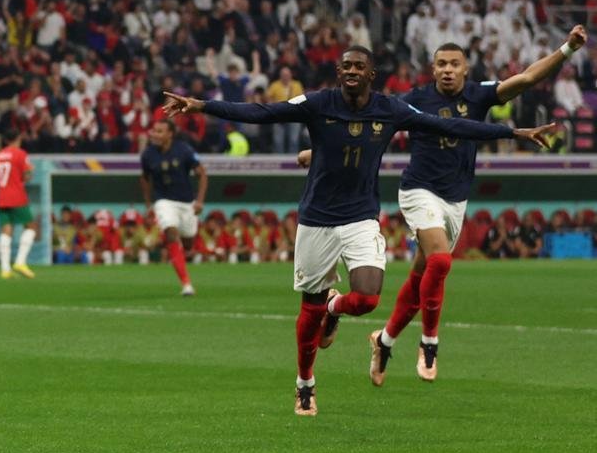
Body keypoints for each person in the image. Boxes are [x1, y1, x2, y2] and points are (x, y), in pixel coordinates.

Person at [163, 46, 555, 416]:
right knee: (307, 310)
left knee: (367, 299)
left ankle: (336, 307)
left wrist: (513, 134)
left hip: (361, 217)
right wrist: (201, 106)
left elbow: (449, 124)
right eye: (345, 67)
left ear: (371, 74)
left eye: (358, 67)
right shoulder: (318, 103)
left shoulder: (391, 109)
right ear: (339, 73)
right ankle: (305, 382)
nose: (351, 72)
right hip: (316, 218)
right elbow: (262, 112)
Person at [366, 26, 588, 386]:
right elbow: (374, 128)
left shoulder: (478, 95)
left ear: (466, 69)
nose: (448, 69)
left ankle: (384, 340)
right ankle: (429, 343)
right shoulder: (414, 99)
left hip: (456, 199)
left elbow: (527, 77)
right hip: (418, 190)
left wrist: (567, 49)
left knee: (425, 272)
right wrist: (320, 151)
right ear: (433, 69)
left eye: (455, 63)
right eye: (441, 64)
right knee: (440, 260)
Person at [140, 118, 208, 296]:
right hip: (163, 202)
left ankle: (173, 252)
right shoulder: (147, 155)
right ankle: (186, 284)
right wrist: (149, 205)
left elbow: (202, 174)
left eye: (159, 131)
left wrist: (199, 201)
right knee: (171, 233)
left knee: (188, 242)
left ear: (170, 134)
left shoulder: (184, 150)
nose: (154, 134)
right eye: (154, 130)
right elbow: (144, 179)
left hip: (187, 204)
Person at [0, 128, 38, 278]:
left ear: (5, 140)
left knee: (6, 230)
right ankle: (20, 261)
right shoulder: (21, 154)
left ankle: (5, 269)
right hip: (17, 195)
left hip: (2, 196)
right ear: (18, 138)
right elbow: (27, 176)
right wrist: (30, 172)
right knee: (31, 227)